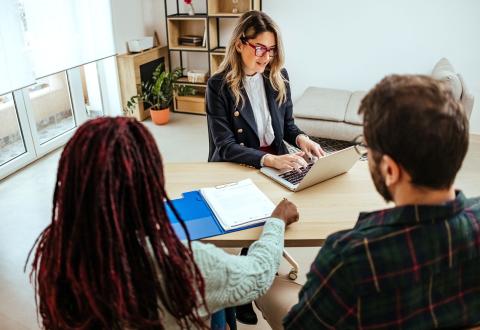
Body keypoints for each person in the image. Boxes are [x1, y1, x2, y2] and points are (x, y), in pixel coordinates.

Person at [26, 117, 299, 330]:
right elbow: (259, 274)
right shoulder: (179, 263)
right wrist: (276, 221)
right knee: (220, 296)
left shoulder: (54, 249)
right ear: (149, 181)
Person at [255, 74, 480, 329]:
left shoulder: (350, 256)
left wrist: (274, 225)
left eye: (367, 147)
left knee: (268, 286)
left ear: (391, 171)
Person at [206, 10, 324, 172]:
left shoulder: (279, 76)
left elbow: (287, 126)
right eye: (260, 48)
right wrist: (270, 160)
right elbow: (226, 146)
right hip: (239, 164)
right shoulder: (217, 85)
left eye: (272, 49)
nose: (267, 57)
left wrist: (301, 139)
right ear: (239, 45)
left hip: (278, 158)